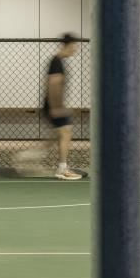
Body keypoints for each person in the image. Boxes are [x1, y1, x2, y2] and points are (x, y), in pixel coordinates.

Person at [43, 33, 80, 180]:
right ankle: (62, 169)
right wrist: (56, 108)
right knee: (65, 133)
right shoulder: (56, 62)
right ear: (68, 45)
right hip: (53, 106)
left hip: (54, 105)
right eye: (74, 46)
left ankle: (27, 157)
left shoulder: (57, 61)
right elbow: (53, 85)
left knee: (57, 136)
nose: (75, 50)